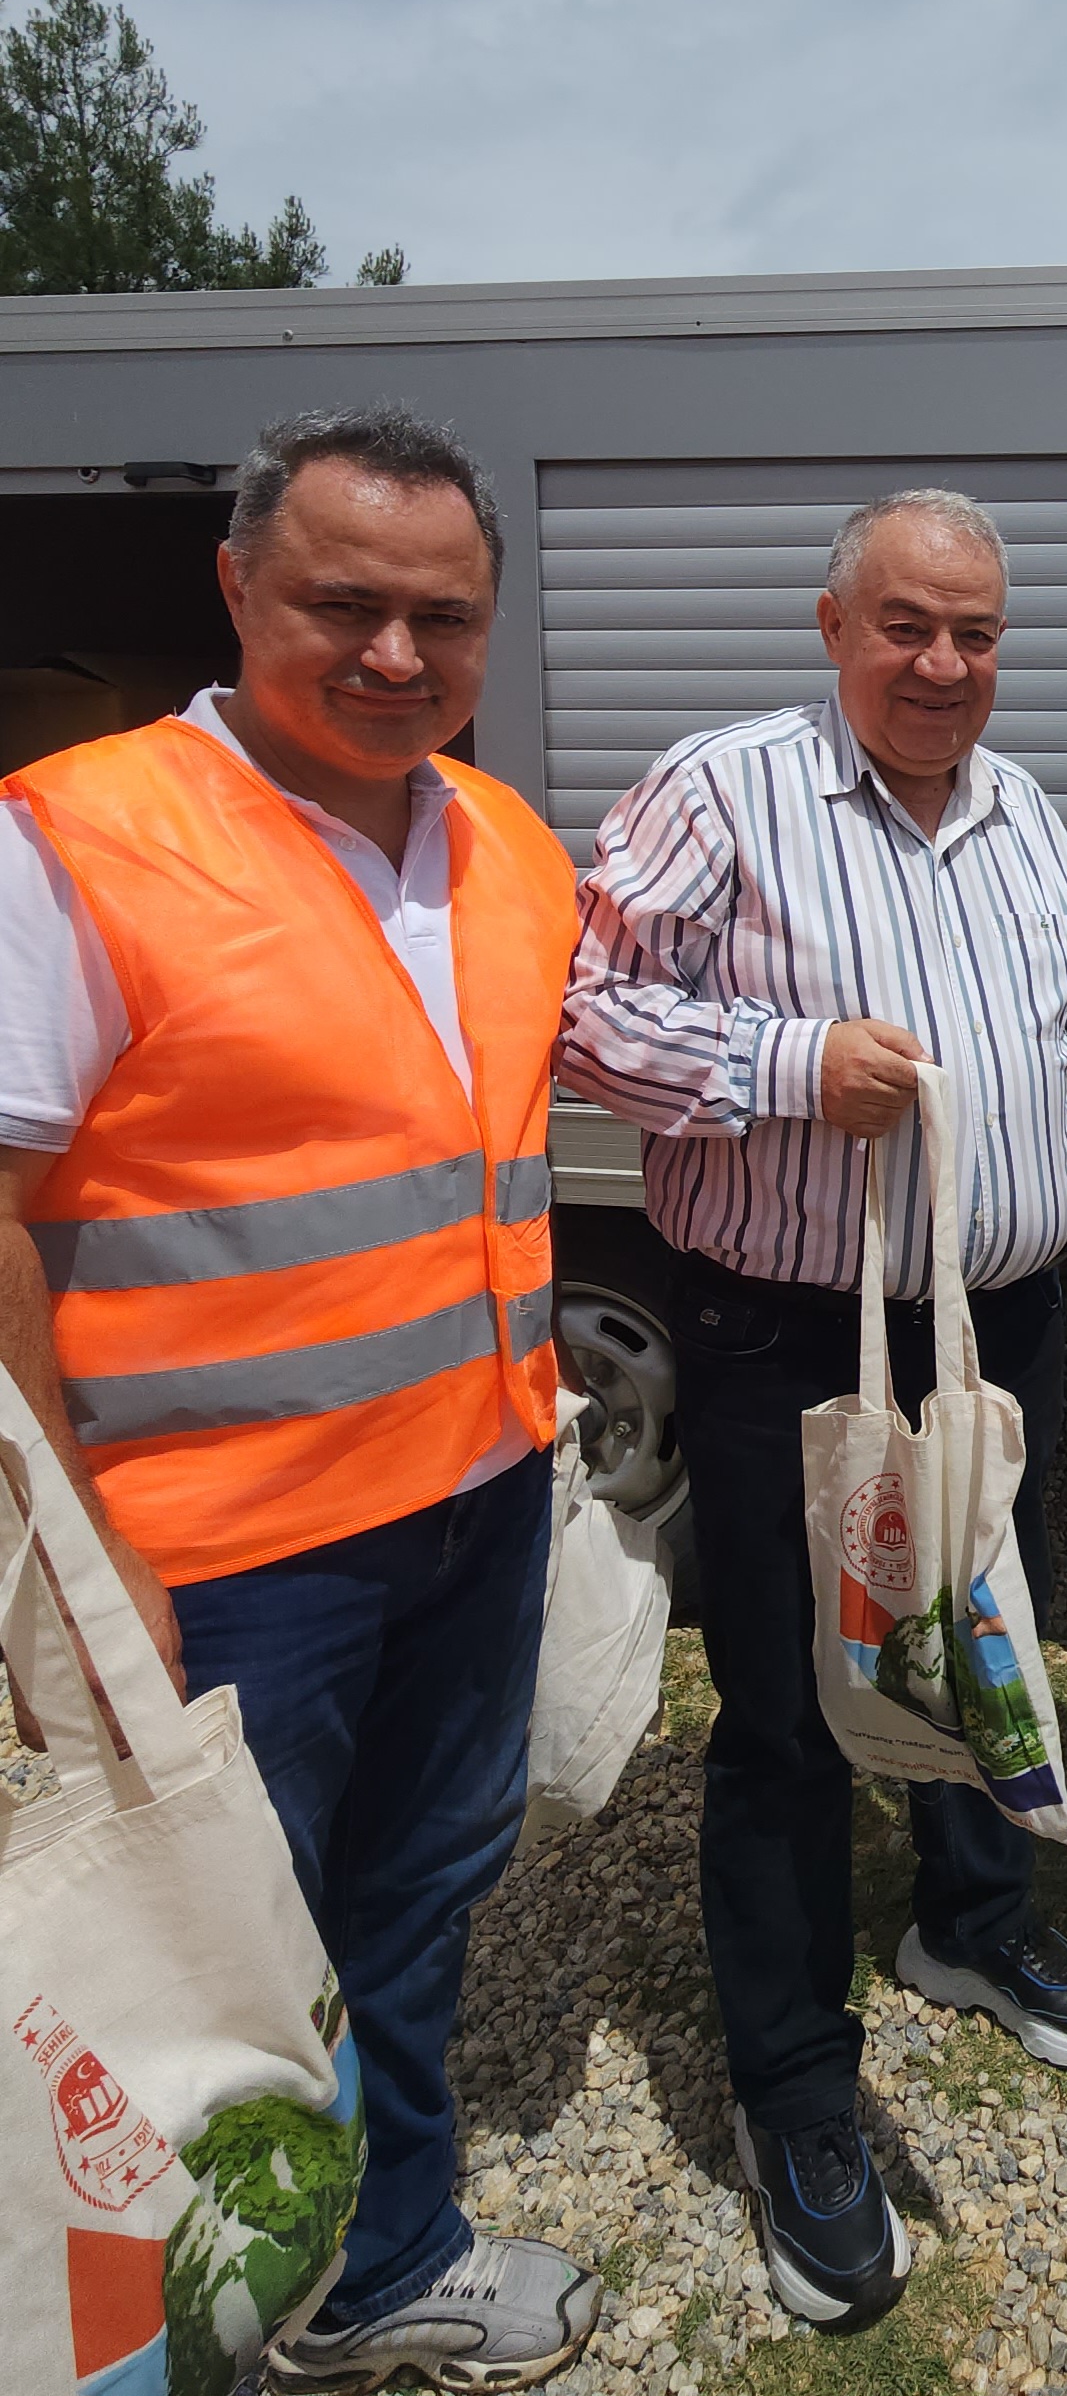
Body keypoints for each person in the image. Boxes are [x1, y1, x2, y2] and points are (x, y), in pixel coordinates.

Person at [558, 486, 1067, 2329]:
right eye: (906, 627)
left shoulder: (1018, 806)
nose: (944, 664)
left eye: (973, 635)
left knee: (978, 1634)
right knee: (801, 1706)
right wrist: (791, 1064)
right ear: (831, 625)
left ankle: (965, 1918)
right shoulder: (723, 792)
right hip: (789, 1332)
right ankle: (795, 2081)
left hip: (999, 1325)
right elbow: (575, 1014)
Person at [0, 407, 599, 2392]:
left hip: (475, 1495)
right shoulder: (82, 834)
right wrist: (81, 1558)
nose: (397, 654)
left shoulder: (506, 842)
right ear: (240, 586)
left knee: (414, 1900)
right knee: (195, 1966)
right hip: (222, 1555)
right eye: (344, 604)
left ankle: (372, 2265)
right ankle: (171, 2339)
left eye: (443, 615)